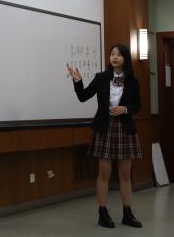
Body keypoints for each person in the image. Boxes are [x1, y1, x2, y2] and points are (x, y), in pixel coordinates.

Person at [67, 44, 143, 229]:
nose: (114, 57)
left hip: (124, 128)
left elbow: (137, 105)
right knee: (104, 174)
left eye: (118, 55)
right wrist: (77, 81)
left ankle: (127, 213)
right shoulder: (101, 78)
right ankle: (102, 213)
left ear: (125, 58)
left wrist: (125, 109)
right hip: (105, 127)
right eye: (112, 54)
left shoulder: (132, 80)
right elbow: (83, 96)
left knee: (125, 175)